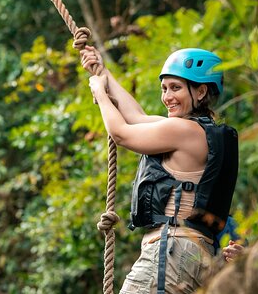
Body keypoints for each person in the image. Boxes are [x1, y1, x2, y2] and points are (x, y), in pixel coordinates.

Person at [81, 46, 240, 294]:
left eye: (176, 88)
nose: (167, 97)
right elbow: (135, 116)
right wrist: (103, 72)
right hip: (194, 255)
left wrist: (100, 92)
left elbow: (122, 133)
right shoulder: (203, 133)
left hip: (173, 250)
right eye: (164, 89)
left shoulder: (183, 131)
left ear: (200, 91)